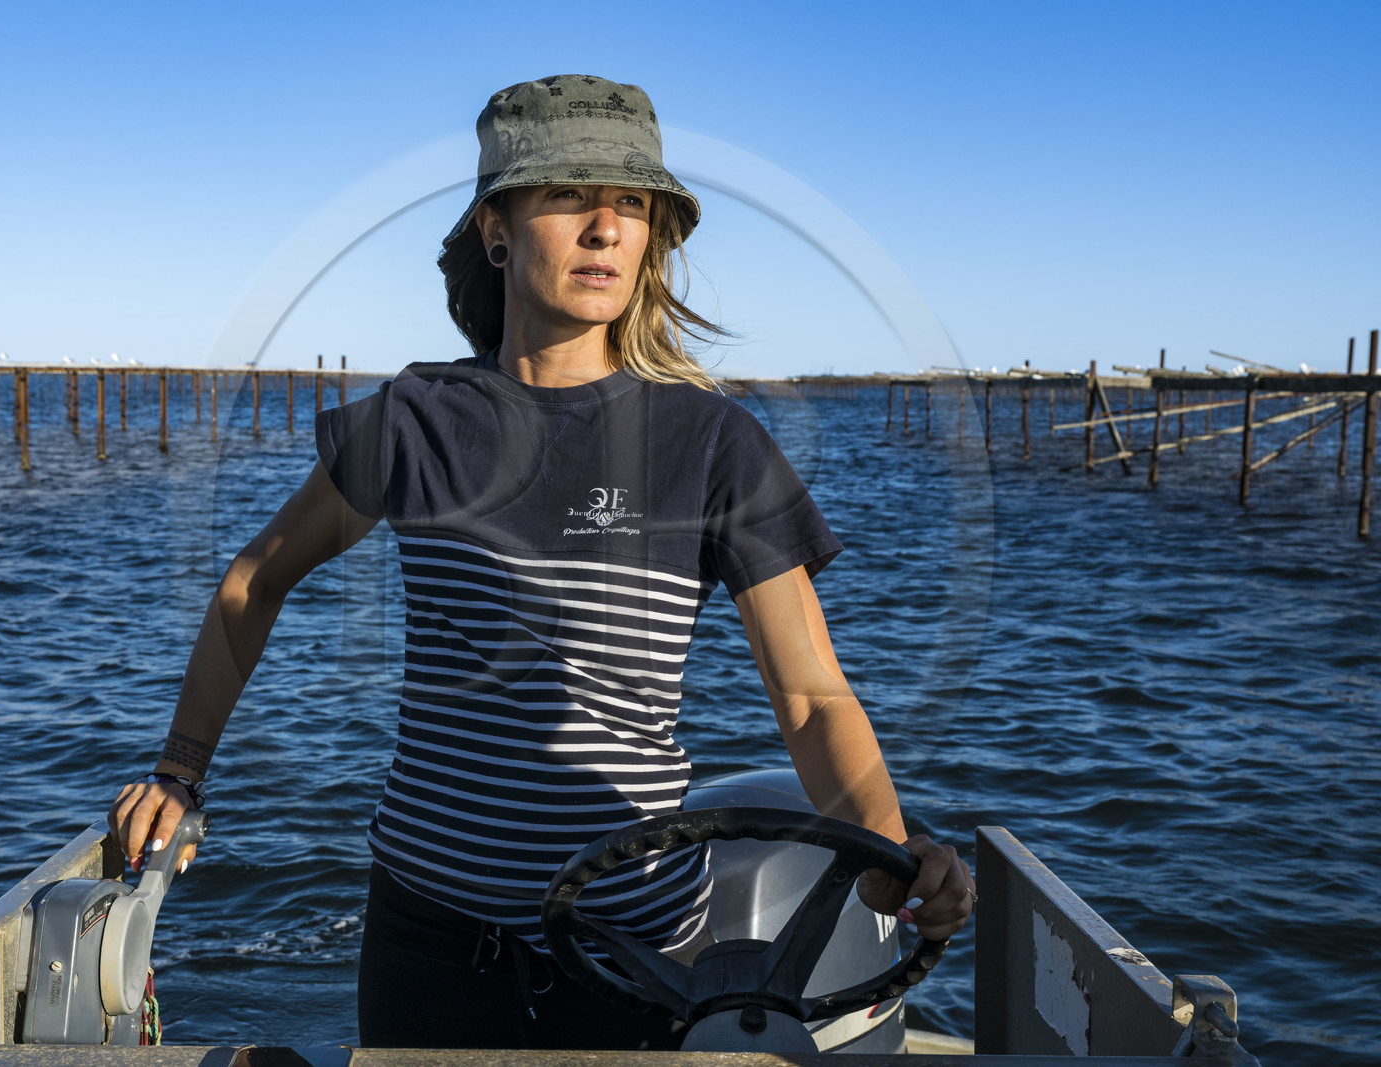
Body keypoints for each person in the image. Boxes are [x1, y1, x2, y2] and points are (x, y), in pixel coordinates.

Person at [108, 74, 975, 1050]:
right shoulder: (411, 420)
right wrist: (179, 772)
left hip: (632, 937)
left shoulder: (716, 443)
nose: (605, 226)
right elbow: (252, 579)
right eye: (568, 195)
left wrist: (891, 848)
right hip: (425, 934)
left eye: (633, 205)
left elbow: (811, 694)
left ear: (652, 240)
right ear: (495, 228)